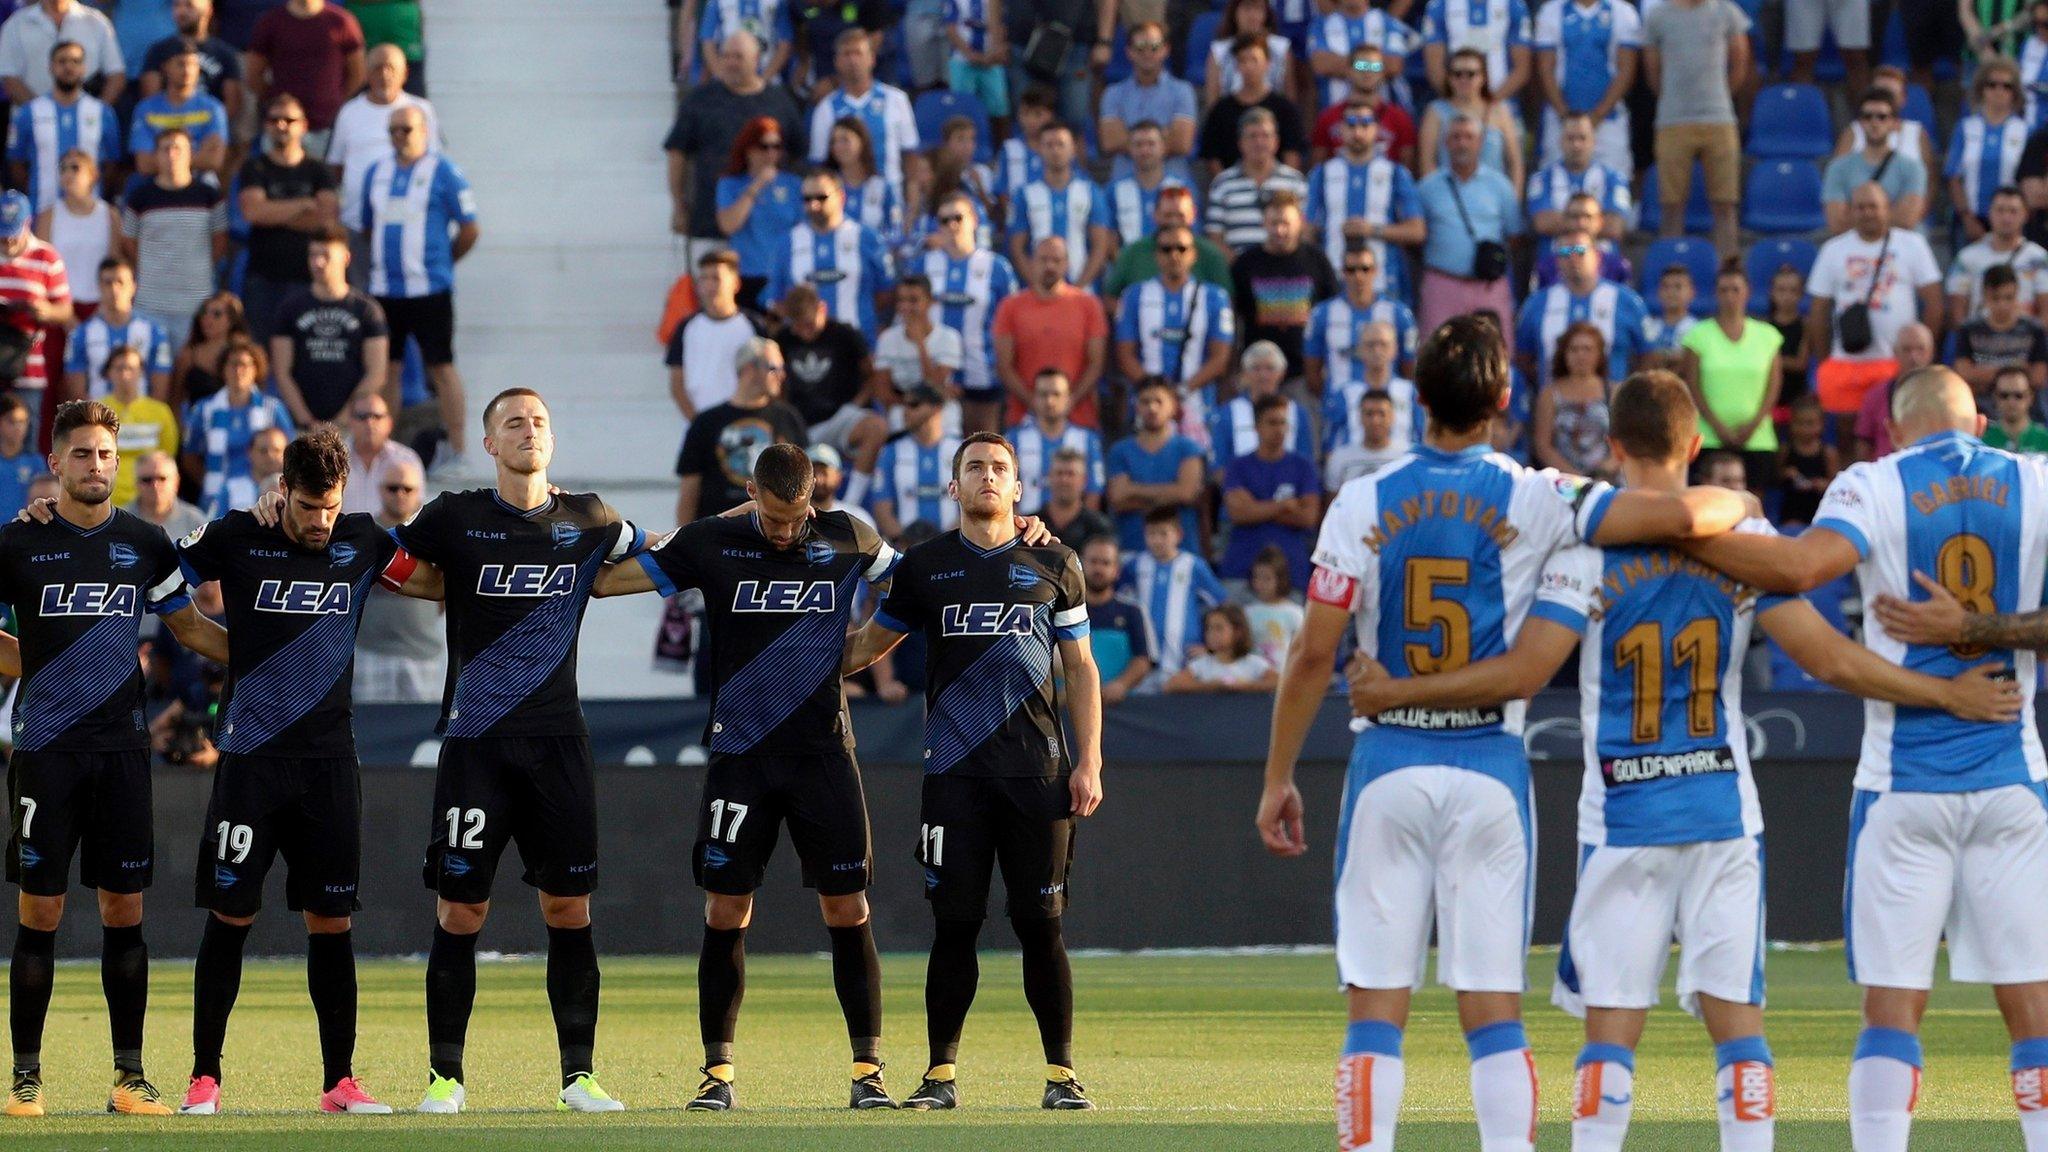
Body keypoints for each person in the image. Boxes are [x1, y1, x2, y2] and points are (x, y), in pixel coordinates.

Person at [1346, 369, 2015, 1152]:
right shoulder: (1749, 551)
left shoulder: (1583, 547)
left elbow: (1525, 670)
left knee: (1609, 1040)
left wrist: (1395, 691)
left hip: (1623, 818)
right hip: (1722, 814)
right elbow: (1831, 661)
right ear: (1697, 445)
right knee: (1740, 1039)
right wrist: (1942, 694)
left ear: (1617, 446)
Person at [1256, 317, 1749, 1152]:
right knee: (1492, 1013)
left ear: (1416, 395)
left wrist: (1278, 777)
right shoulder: (1542, 494)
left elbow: (1312, 654)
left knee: (1376, 1007)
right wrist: (1735, 498)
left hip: (1387, 762)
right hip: (1489, 764)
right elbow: (1669, 516)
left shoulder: (1361, 499)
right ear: (1505, 399)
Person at [1691, 366, 2048, 1152]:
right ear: (1981, 423)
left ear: (1892, 429)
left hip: (1902, 786)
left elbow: (1796, 573)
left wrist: (1722, 524)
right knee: (2034, 1011)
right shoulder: (2036, 479)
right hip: (2012, 776)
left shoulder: (1872, 484)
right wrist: (1986, 631)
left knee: (1892, 1009)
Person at [591, 443, 908, 1111]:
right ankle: (718, 1075)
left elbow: (914, 586)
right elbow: (608, 581)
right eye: (772, 517)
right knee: (727, 907)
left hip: (825, 752)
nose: (787, 531)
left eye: (797, 518)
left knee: (847, 908)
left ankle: (868, 1071)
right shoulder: (712, 541)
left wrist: (862, 649)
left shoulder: (849, 534)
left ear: (815, 494)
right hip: (742, 755)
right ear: (750, 493)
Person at [172, 427, 442, 1117]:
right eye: (306, 507)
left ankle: (340, 1082)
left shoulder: (363, 539)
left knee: (331, 922)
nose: (320, 522)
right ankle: (204, 1078)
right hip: (251, 761)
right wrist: (227, 649)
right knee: (232, 914)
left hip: (328, 766)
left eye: (329, 507)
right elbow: (159, 578)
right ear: (282, 492)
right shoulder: (237, 535)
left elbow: (435, 580)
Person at [842, 431, 1104, 1112]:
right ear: (953, 487)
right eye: (975, 468)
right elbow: (871, 643)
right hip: (953, 776)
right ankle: (939, 1075)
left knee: (1040, 923)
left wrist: (1091, 761)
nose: (988, 476)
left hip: (1039, 775)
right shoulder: (926, 567)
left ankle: (1061, 1074)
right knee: (954, 925)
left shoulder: (1057, 561)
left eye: (1000, 468)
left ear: (1018, 488)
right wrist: (792, 654)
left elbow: (1080, 667)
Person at [0, 398, 227, 1118]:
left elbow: (189, 626)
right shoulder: (19, 543)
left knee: (123, 908)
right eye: (82, 454)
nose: (96, 465)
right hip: (45, 752)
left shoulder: (146, 542)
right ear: (54, 463)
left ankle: (129, 1079)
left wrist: (274, 650)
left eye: (106, 454)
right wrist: (32, 664)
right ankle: (25, 1080)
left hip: (123, 754)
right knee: (41, 909)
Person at [349, 105, 477, 464]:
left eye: (405, 130)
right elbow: (368, 226)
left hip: (429, 289)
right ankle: (381, 449)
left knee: (441, 365)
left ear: (424, 131)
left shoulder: (444, 171)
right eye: (392, 131)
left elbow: (470, 228)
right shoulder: (377, 171)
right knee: (388, 368)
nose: (398, 137)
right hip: (385, 289)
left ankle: (458, 448)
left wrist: (443, 262)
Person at [1809, 182, 1943, 447]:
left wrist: (1922, 350)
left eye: (1874, 206)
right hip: (1847, 361)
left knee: (1895, 432)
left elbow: (1934, 302)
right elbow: (1818, 311)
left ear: (1888, 208)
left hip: (1895, 362)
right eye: (1860, 207)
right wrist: (1826, 360)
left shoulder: (1912, 245)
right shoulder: (1833, 250)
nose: (1868, 212)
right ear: (1850, 211)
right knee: (1847, 437)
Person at [665, 32, 806, 255]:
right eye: (726, 56)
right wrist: (678, 205)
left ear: (757, 59)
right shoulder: (700, 100)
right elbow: (677, 154)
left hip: (768, 233)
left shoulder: (780, 102)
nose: (730, 63)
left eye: (738, 57)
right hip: (710, 224)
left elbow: (798, 155)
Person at [1642, 0, 1751, 256]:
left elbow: (1740, 63)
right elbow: (1652, 70)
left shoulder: (1727, 12)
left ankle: (1729, 272)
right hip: (1672, 121)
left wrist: (1720, 96)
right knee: (1671, 206)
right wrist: (1673, 100)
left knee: (1725, 206)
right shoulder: (1658, 16)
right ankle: (1670, 271)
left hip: (1719, 119)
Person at [914, 190, 1023, 434]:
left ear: (974, 219)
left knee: (983, 447)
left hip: (983, 373)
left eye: (958, 218)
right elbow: (910, 315)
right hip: (934, 373)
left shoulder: (998, 267)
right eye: (944, 220)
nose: (951, 225)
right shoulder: (923, 265)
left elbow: (1014, 320)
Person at [1115, 225, 1235, 435]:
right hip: (1147, 409)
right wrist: (1156, 395)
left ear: (1194, 255)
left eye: (1181, 249)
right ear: (1156, 255)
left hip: (1198, 409)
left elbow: (1220, 359)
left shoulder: (1215, 297)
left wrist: (1180, 391)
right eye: (1166, 249)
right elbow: (1125, 355)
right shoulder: (1134, 296)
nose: (1174, 255)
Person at [237, 93, 337, 343]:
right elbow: (253, 213)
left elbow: (325, 219)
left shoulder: (318, 170)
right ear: (265, 126)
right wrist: (304, 204)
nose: (281, 125)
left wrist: (273, 212)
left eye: (289, 120)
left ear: (303, 126)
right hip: (263, 278)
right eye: (274, 119)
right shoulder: (255, 167)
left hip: (307, 279)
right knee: (259, 352)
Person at [675, 336, 807, 525]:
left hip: (776, 535)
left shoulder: (788, 418)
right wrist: (683, 544)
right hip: (718, 535)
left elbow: (804, 483)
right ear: (749, 369)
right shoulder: (706, 423)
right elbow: (689, 490)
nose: (782, 375)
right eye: (773, 368)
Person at [1682, 261, 1784, 498]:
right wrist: (1718, 427)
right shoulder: (1698, 334)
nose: (1730, 296)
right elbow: (1693, 385)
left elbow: (1773, 386)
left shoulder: (1768, 336)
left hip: (1757, 437)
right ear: (1716, 293)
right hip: (1707, 436)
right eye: (1724, 290)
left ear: (1747, 292)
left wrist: (1752, 425)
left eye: (1735, 289)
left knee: (1752, 507)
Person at [1306, 99, 1425, 300]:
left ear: (1377, 129)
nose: (1358, 132)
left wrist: (1372, 230)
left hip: (1384, 284)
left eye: (1365, 124)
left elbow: (1417, 231)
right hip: (1333, 282)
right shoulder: (1322, 174)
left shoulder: (1396, 173)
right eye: (1351, 125)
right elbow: (1307, 229)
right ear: (1340, 129)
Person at [270, 225, 388, 427]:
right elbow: (282, 371)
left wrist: (342, 419)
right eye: (313, 255)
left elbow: (376, 373)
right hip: (303, 425)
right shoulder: (290, 308)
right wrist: (307, 420)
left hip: (351, 425)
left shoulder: (367, 310)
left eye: (326, 255)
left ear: (346, 258)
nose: (318, 262)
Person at [1415, 114, 1521, 337]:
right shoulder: (1427, 188)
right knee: (1437, 356)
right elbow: (1417, 235)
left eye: (1469, 137)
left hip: (1488, 285)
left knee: (1496, 355)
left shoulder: (1500, 186)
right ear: (1445, 143)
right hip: (1442, 284)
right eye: (1455, 137)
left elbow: (1514, 236)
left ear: (1480, 142)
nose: (1462, 143)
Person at [326, 43, 434, 257]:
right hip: (356, 225)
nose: (384, 75)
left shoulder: (421, 110)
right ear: (366, 73)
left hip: (407, 226)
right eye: (377, 68)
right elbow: (335, 167)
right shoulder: (349, 112)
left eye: (391, 68)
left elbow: (432, 163)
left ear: (405, 74)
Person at [762, 168, 893, 344]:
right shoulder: (787, 243)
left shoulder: (867, 238)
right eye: (807, 199)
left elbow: (886, 293)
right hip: (805, 348)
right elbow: (777, 299)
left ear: (841, 196)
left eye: (821, 198)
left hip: (856, 346)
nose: (813, 205)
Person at [121, 129, 225, 350]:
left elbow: (219, 242)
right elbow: (129, 242)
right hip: (150, 304)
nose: (171, 154)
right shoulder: (140, 197)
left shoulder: (209, 196)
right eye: (165, 148)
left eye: (178, 148)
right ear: (156, 155)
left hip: (195, 304)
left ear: (191, 154)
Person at [992, 236, 1109, 428]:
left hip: (1078, 417)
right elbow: (1004, 366)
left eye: (1056, 260)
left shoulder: (1088, 305)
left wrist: (1068, 401)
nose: (1050, 266)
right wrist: (1036, 403)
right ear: (1032, 262)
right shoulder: (1010, 307)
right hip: (1024, 418)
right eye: (1043, 259)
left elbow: (1096, 363)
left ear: (1067, 264)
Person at [1514, 229, 1649, 387]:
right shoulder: (1535, 304)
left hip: (1612, 405)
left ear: (1597, 257)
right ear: (1557, 260)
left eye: (1580, 250)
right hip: (1554, 405)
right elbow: (1523, 358)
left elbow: (1649, 355)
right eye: (1564, 252)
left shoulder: (1628, 301)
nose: (1572, 258)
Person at [774, 286, 885, 477]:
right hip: (799, 422)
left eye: (808, 324)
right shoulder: (782, 340)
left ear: (822, 309)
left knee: (877, 427)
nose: (804, 332)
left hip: (839, 418)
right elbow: (776, 383)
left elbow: (871, 375)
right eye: (797, 326)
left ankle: (853, 500)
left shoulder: (845, 335)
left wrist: (855, 404)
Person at [1229, 192, 1338, 381]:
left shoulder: (1317, 261)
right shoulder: (1245, 263)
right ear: (1264, 223)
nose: (1279, 230)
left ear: (1300, 223)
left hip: (1305, 372)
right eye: (1274, 223)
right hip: (1259, 371)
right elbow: (1233, 318)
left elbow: (1333, 313)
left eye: (1286, 223)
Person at [6, 41, 123, 216]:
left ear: (84, 68)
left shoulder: (102, 112)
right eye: (62, 61)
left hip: (90, 214)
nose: (69, 67)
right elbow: (16, 165)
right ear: (50, 67)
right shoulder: (28, 113)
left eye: (75, 61)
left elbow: (112, 165)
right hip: (41, 213)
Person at [183, 336, 293, 517]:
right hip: (215, 497)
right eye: (233, 364)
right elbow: (190, 456)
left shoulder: (273, 409)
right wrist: (211, 481)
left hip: (266, 495)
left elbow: (288, 452)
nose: (238, 370)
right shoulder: (204, 409)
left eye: (245, 365)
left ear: (256, 369)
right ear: (223, 369)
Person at [807, 31, 921, 201]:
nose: (853, 60)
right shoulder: (826, 109)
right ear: (836, 62)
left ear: (872, 59)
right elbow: (820, 164)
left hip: (890, 199)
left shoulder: (896, 100)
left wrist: (912, 202)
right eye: (846, 54)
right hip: (842, 203)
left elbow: (910, 155)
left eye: (858, 53)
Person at [1219, 393, 1318, 587]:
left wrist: (1256, 508)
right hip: (1241, 569)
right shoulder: (1238, 466)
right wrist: (1285, 505)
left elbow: (1308, 517)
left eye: (1283, 423)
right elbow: (1238, 513)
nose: (1279, 429)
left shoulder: (1303, 466)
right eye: (1272, 423)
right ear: (1256, 427)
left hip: (1291, 574)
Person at [33, 152, 117, 379]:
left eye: (75, 168)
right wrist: (64, 316)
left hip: (97, 309)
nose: (67, 174)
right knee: (50, 377)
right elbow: (39, 269)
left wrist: (101, 311)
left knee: (94, 380)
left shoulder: (109, 215)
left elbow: (114, 266)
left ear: (93, 175)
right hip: (57, 309)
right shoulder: (48, 216)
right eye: (63, 169)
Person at [1531, 0, 1638, 174]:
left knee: (1614, 179)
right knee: (1557, 179)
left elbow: (1626, 70)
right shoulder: (1551, 11)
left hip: (1609, 120)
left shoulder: (1623, 12)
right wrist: (1567, 118)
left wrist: (1596, 116)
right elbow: (1545, 70)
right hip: (1560, 120)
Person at [1005, 122, 1111, 290]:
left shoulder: (1091, 192)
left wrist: (1077, 289)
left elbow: (1100, 246)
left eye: (1061, 144)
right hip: (1039, 294)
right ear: (1039, 149)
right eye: (1049, 145)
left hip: (1082, 290)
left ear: (1073, 149)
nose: (1055, 151)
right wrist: (1038, 286)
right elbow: (1017, 249)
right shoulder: (1024, 195)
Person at [245, 0, 364, 149]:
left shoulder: (341, 22)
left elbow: (358, 74)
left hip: (327, 127)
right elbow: (253, 75)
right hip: (281, 127)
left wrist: (336, 102)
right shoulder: (271, 22)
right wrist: (275, 102)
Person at [1106, 377, 1205, 551]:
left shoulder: (1188, 448)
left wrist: (1134, 490)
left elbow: (1186, 493)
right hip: (1132, 551)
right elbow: (1119, 499)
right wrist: (1170, 497)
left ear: (1173, 405)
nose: (1152, 408)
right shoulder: (1119, 451)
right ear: (1136, 406)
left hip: (1182, 553)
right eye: (1145, 401)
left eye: (1159, 401)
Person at [0, 189, 72, 427]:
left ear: (27, 224)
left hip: (28, 366)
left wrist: (45, 311)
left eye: (13, 234)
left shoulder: (46, 256)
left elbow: (65, 311)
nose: (8, 241)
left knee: (27, 437)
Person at [715, 117, 803, 310]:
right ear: (749, 149)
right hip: (747, 274)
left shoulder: (793, 185)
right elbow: (729, 225)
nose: (771, 153)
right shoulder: (730, 184)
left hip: (783, 275)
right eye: (764, 146)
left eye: (776, 146)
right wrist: (757, 185)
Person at [669, 249, 760, 425]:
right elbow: (677, 384)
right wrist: (699, 424)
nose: (709, 286)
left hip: (744, 425)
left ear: (735, 283)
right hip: (700, 424)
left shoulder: (753, 326)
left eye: (716, 278)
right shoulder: (687, 328)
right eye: (704, 278)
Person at [1417, 46, 1524, 194]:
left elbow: (1515, 163)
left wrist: (1513, 200)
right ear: (1449, 78)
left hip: (1493, 199)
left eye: (1471, 74)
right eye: (1457, 74)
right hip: (1450, 199)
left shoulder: (1500, 111)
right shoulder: (1435, 111)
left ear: (1483, 77)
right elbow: (1427, 163)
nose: (1464, 79)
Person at [1823, 88, 1930, 236]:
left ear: (1894, 123)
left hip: (1900, 248)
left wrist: (1857, 216)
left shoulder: (1913, 168)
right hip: (1853, 249)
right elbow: (1836, 223)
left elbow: (1907, 220)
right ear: (1860, 122)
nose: (1874, 122)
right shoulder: (1838, 168)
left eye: (1882, 117)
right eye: (1867, 116)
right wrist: (1888, 215)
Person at [1097, 22, 1196, 181]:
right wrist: (1161, 137)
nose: (1148, 53)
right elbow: (1111, 142)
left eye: (1154, 47)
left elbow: (1181, 144)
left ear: (1166, 49)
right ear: (1129, 52)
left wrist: (1132, 139)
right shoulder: (1112, 93)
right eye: (1140, 48)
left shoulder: (1183, 91)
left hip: (1174, 184)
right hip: (1123, 183)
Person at [1101, 185, 1232, 305]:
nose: (1174, 221)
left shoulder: (1211, 254)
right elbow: (1110, 297)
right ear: (1156, 215)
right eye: (1168, 215)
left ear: (1193, 215)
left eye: (1180, 215)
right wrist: (1138, 315)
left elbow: (1227, 300)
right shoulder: (1133, 252)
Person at [1948, 56, 2032, 241]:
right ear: (1981, 88)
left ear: (2015, 92)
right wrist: (1967, 218)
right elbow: (1953, 177)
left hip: (2012, 222)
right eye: (1992, 84)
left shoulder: (2025, 131)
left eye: (2006, 86)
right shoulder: (1965, 127)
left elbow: (2028, 180)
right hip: (1971, 221)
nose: (1999, 90)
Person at [65, 258, 171, 402]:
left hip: (142, 420)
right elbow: (76, 392)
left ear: (134, 286)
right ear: (99, 286)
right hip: (98, 419)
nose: (114, 289)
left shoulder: (154, 332)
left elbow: (160, 391)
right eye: (108, 283)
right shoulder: (80, 335)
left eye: (120, 282)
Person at [1203, 107, 1308, 253]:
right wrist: (1241, 269)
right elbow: (1215, 236)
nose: (1259, 142)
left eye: (1265, 136)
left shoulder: (1295, 182)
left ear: (1276, 141)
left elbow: (1304, 231)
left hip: (1285, 272)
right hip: (1238, 272)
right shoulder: (1222, 184)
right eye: (1252, 136)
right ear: (1240, 142)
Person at [1196, 37, 1306, 177]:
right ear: (1237, 66)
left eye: (1254, 60)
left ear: (1267, 64)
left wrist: (1283, 184)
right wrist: (1228, 184)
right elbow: (1212, 156)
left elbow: (1293, 153)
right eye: (1243, 61)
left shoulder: (1285, 109)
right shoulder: (1221, 110)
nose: (1249, 66)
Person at [129, 36, 230, 179]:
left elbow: (214, 160)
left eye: (193, 64)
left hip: (200, 181)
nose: (187, 70)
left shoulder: (213, 108)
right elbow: (144, 164)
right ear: (165, 67)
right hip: (154, 182)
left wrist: (166, 159)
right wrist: (196, 157)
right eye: (181, 64)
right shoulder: (146, 109)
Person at [870, 384, 962, 538]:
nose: (905, 411)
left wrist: (945, 542)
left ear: (936, 408)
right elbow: (882, 509)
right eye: (903, 405)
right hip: (907, 549)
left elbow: (973, 506)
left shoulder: (960, 450)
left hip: (953, 548)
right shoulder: (890, 451)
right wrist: (910, 545)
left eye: (914, 405)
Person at [1947, 186, 2048, 325]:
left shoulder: (2040, 258)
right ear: (1990, 213)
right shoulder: (1966, 258)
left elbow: (2046, 312)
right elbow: (1957, 311)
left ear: (2025, 215)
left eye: (2013, 211)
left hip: (2024, 340)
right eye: (2000, 210)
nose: (2006, 218)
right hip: (1980, 340)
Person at [1009, 369, 1102, 512]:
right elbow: (1006, 492)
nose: (1050, 401)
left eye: (1056, 394)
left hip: (1075, 530)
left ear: (1068, 398)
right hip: (1026, 527)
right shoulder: (1013, 439)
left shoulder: (1087, 439)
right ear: (1034, 397)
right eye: (1043, 394)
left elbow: (1094, 493)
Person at [1526, 115, 1630, 244]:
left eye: (1582, 138)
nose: (1576, 145)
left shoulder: (1615, 178)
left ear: (1593, 141)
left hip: (1602, 258)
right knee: (1572, 255)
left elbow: (1615, 227)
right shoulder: (1541, 179)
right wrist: (1592, 220)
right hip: (1558, 256)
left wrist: (1565, 220)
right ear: (1560, 141)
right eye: (1570, 138)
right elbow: (1542, 223)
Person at [0, 0, 125, 107]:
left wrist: (93, 115)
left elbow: (116, 74)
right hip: (31, 128)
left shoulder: (97, 22)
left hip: (88, 131)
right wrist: (39, 115)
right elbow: (9, 77)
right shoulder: (16, 24)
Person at [1532, 321, 1616, 478]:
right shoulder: (1549, 395)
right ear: (1564, 353)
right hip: (1564, 482)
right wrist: (1576, 477)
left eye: (1587, 349)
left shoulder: (1614, 392)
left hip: (1607, 482)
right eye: (1574, 349)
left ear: (1599, 354)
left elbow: (1625, 442)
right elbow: (1543, 446)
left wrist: (1604, 472)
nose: (1581, 355)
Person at [1310, 45, 1417, 168]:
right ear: (1348, 70)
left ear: (1383, 72)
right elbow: (1317, 168)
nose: (1368, 72)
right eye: (1361, 66)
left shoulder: (1400, 119)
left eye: (1375, 67)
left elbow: (1407, 168)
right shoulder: (1328, 118)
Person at [1209, 340, 1315, 464]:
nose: (1263, 375)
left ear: (1282, 373)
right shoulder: (1227, 413)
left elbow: (1306, 461)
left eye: (1270, 368)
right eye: (1256, 368)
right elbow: (1219, 465)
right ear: (1245, 373)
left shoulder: (1296, 412)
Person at [870, 273, 964, 412]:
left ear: (930, 301)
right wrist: (911, 403)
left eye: (913, 300)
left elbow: (933, 387)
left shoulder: (949, 337)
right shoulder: (887, 338)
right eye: (901, 300)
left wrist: (921, 345)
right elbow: (882, 392)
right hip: (902, 412)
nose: (905, 306)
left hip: (940, 413)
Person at [1954, 262, 2048, 397]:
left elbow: (2038, 377)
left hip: (2025, 408)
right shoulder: (1968, 329)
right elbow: (1963, 373)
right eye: (1996, 298)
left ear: (2017, 293)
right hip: (1981, 407)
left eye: (2008, 297)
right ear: (1985, 295)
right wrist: (2019, 370)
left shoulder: (2034, 329)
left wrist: (1981, 373)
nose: (2002, 305)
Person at [100, 345, 177, 507]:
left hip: (149, 498)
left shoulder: (160, 412)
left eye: (131, 368)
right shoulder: (97, 411)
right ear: (109, 372)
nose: (125, 374)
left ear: (141, 372)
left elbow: (167, 456)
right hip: (109, 498)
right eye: (119, 368)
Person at [140, 0, 244, 120]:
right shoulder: (158, 51)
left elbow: (232, 104)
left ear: (208, 9)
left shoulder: (225, 54)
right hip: (165, 127)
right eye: (177, 5)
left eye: (189, 5)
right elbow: (150, 99)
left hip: (208, 128)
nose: (181, 11)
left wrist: (208, 126)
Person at [1079, 534, 1151, 704]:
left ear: (1116, 570)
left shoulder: (1132, 611)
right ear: (1081, 565)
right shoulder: (1064, 611)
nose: (1099, 569)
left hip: (1120, 708)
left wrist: (1121, 685)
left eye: (1106, 563)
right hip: (1070, 706)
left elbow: (1142, 659)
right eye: (1093, 561)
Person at [1854, 321, 1936, 461]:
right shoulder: (1875, 395)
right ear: (1895, 352)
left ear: (1931, 352)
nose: (1913, 357)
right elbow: (1864, 443)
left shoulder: (1943, 395)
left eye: (1920, 349)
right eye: (1907, 350)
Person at [1309, 0, 1413, 108]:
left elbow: (1393, 65)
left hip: (1384, 115)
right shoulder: (1321, 25)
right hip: (1335, 114)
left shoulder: (1388, 22)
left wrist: (1351, 65)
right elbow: (1321, 65)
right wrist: (1373, 65)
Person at [1420, 0, 1533, 97]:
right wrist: (1459, 102)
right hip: (1454, 104)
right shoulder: (1440, 5)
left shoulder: (1513, 5)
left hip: (1502, 101)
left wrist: (1489, 104)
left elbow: (1522, 68)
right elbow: (1434, 67)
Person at [1105, 121, 1187, 248]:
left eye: (1151, 144)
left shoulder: (1181, 188)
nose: (1145, 150)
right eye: (1138, 145)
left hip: (1172, 262)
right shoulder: (1114, 190)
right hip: (1128, 265)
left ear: (1163, 147)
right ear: (1130, 148)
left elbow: (1191, 234)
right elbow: (1108, 238)